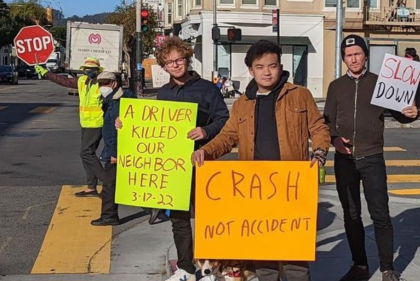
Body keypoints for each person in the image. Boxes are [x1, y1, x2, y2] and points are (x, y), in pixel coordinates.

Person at [192, 39, 330, 281]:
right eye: (260, 66)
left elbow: (318, 128)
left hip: (291, 187)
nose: (267, 71)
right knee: (263, 255)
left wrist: (319, 152)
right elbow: (228, 135)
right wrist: (207, 151)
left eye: (272, 65)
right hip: (255, 189)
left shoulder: (300, 96)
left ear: (280, 66)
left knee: (294, 255)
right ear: (251, 70)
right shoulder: (243, 104)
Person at [118, 38, 229, 281]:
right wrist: (125, 125)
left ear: (187, 60)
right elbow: (153, 126)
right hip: (172, 167)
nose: (175, 65)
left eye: (179, 60)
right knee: (178, 220)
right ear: (164, 66)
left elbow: (224, 119)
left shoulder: (207, 89)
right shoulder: (165, 92)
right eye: (169, 62)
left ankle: (210, 266)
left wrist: (206, 131)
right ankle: (186, 268)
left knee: (206, 217)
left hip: (202, 161)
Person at [324, 35, 419, 281]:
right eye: (348, 55)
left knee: (380, 214)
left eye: (357, 53)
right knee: (352, 214)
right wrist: (334, 139)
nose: (353, 59)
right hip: (344, 160)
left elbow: (402, 114)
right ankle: (360, 265)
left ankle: (387, 268)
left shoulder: (381, 83)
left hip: (372, 157)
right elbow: (328, 122)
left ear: (365, 55)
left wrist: (411, 113)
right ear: (343, 58)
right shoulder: (336, 86)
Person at [35, 57, 105, 197]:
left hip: (97, 123)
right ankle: (91, 187)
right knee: (87, 154)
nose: (88, 71)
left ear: (97, 71)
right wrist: (46, 73)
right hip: (85, 123)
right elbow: (63, 81)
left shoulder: (102, 84)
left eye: (91, 69)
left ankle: (107, 182)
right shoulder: (82, 81)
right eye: (86, 69)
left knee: (86, 153)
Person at [91, 71, 135, 226]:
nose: (103, 87)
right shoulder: (111, 99)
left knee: (110, 184)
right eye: (100, 84)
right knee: (117, 183)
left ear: (114, 83)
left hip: (117, 150)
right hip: (113, 148)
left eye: (106, 83)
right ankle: (110, 214)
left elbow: (121, 130)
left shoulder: (121, 101)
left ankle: (109, 216)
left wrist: (115, 153)